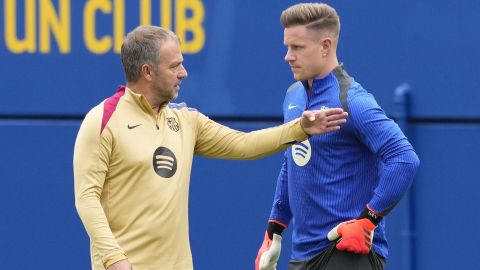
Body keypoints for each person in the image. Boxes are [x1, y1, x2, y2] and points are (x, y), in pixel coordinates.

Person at [73, 25, 348, 270]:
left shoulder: (185, 120)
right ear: (147, 72)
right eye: (174, 66)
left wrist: (300, 128)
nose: (184, 72)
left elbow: (244, 144)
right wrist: (113, 259)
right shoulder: (103, 120)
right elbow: (87, 198)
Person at [255, 3, 420, 270]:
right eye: (287, 47)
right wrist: (273, 230)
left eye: (297, 48)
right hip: (303, 255)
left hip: (348, 251)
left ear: (325, 46)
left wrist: (368, 221)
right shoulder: (293, 95)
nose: (288, 56)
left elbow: (404, 159)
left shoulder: (352, 101)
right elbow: (292, 162)